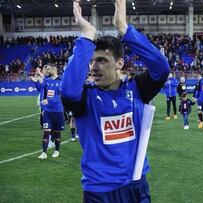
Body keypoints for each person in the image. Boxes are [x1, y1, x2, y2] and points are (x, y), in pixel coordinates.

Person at [61, 0, 169, 202]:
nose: (94, 67)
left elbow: (161, 68)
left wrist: (125, 30)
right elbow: (67, 91)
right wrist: (87, 35)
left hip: (136, 183)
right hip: (99, 191)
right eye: (91, 61)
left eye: (102, 60)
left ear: (119, 63)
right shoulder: (86, 97)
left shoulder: (136, 89)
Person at [35, 65, 64, 159]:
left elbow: (60, 96)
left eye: (48, 69)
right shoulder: (47, 80)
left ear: (54, 70)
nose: (46, 71)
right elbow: (41, 90)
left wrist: (49, 101)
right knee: (46, 132)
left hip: (58, 111)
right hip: (48, 111)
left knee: (57, 133)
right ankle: (44, 152)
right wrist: (38, 79)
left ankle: (57, 150)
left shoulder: (61, 81)